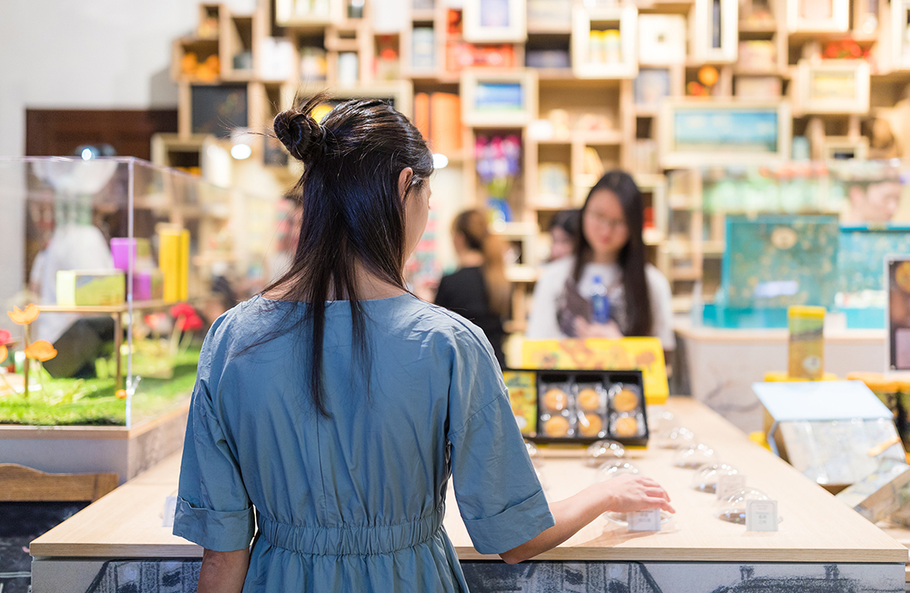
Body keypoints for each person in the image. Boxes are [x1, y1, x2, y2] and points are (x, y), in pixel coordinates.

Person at [172, 99, 672, 592]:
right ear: (404, 186)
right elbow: (515, 537)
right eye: (427, 200)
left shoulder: (232, 338)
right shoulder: (450, 346)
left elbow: (222, 556)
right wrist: (606, 492)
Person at [527, 171, 675, 356]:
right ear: (584, 213)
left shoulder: (652, 283)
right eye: (598, 216)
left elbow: (664, 359)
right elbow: (536, 349)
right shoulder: (553, 277)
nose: (606, 230)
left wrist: (621, 348)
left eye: (618, 221)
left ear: (633, 226)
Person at [434, 209, 510, 367]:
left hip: (465, 369)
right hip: (497, 365)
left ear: (459, 238)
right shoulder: (499, 279)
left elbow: (438, 330)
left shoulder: (451, 281)